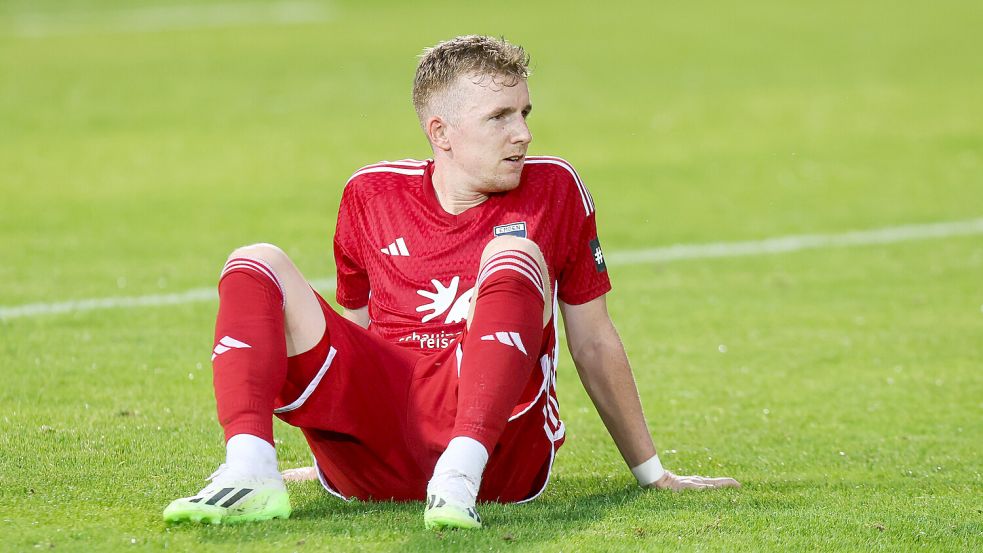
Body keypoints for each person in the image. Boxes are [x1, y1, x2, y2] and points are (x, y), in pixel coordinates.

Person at [163, 35, 739, 530]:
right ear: (441, 132)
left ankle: (460, 471)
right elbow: (354, 343)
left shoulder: (556, 189)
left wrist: (651, 473)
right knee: (254, 260)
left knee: (511, 255)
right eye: (499, 118)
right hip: (379, 455)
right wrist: (330, 453)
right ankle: (249, 468)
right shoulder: (369, 193)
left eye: (524, 113)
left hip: (498, 458)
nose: (523, 135)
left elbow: (592, 340)